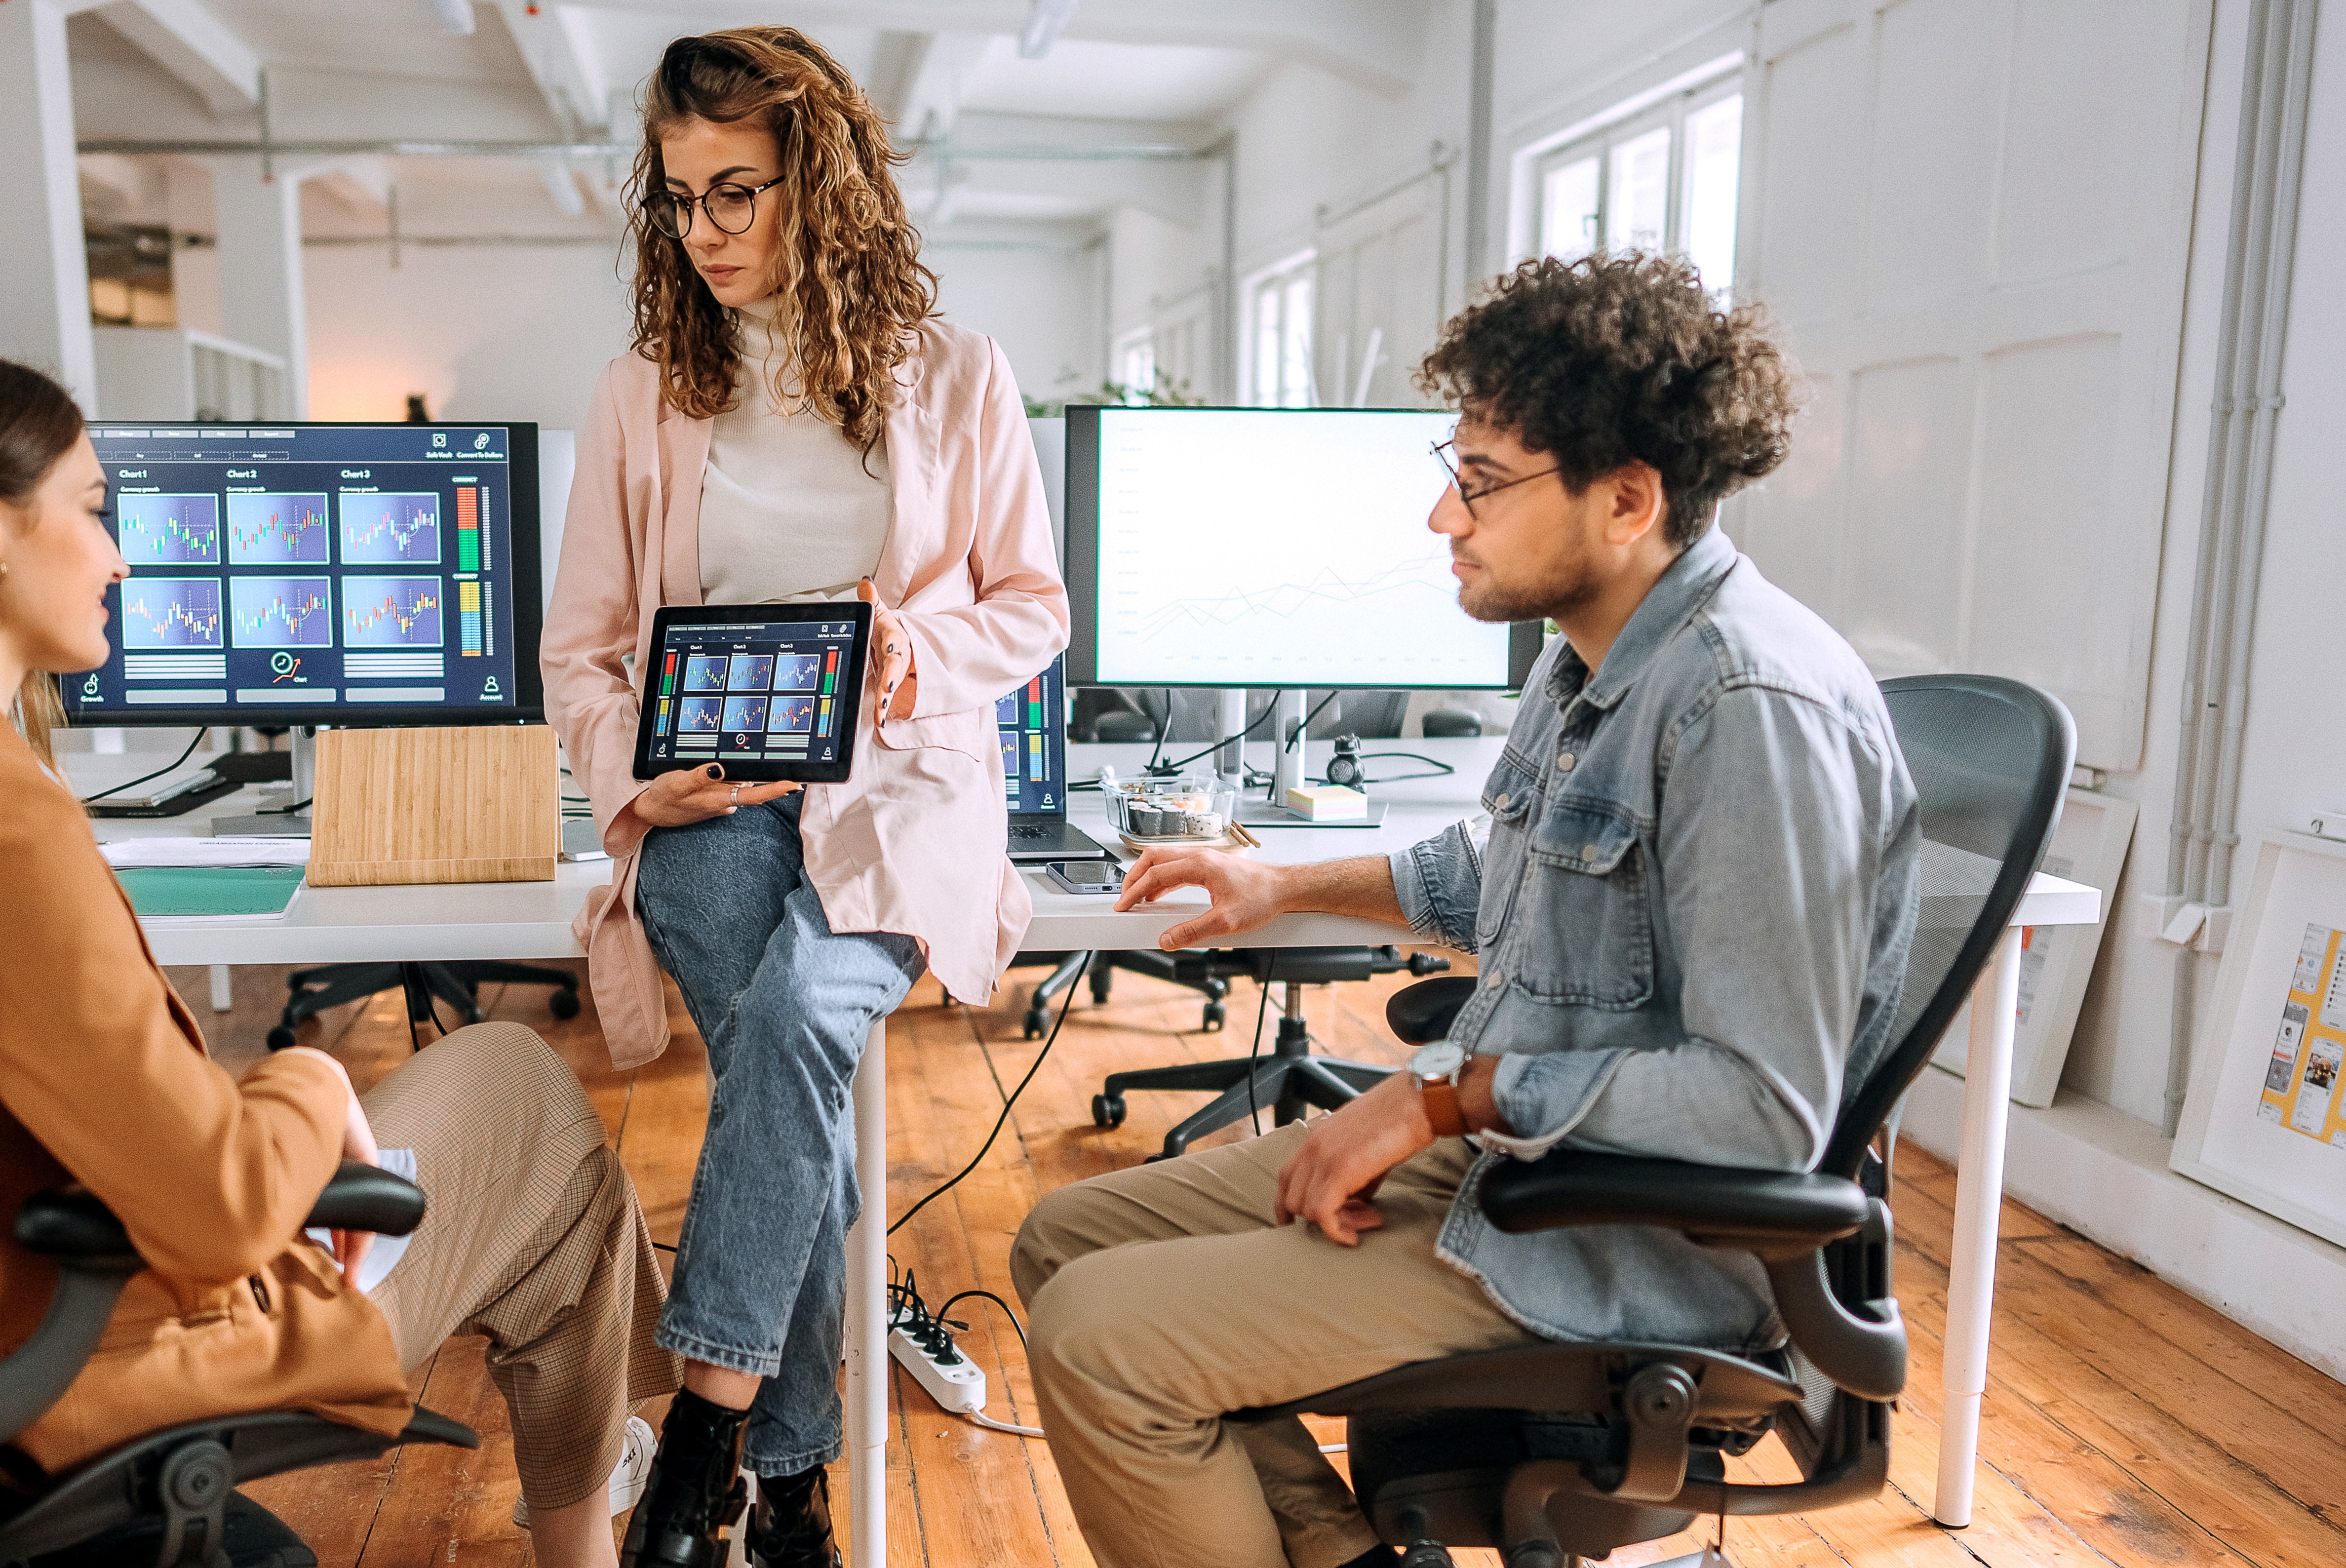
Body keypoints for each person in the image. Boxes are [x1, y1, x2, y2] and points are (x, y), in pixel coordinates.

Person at [1010, 253, 1922, 1568]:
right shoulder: (1595, 655)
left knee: (1106, 1346)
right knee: (1061, 1239)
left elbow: (1759, 1106)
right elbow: (1508, 876)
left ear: (1627, 499)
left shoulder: (1745, 709)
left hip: (1620, 1239)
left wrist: (1445, 1097)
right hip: (1518, 1173)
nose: (1446, 516)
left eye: (1483, 482)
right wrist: (1282, 882)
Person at [0, 341, 674, 1567]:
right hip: (104, 1339)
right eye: (95, 510)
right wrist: (311, 1081)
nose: (119, 555)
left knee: (522, 1112)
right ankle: (600, 1525)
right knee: (542, 1116)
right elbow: (220, 1211)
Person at [537, 26, 1065, 1568]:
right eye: (682, 198)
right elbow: (578, 654)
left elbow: (1033, 609)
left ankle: (716, 1436)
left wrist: (909, 649)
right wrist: (646, 768)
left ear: (820, 189)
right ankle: (795, 1497)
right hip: (707, 812)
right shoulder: (642, 392)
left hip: (896, 788)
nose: (704, 234)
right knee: (800, 1087)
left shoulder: (957, 378)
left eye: (738, 194)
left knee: (794, 1029)